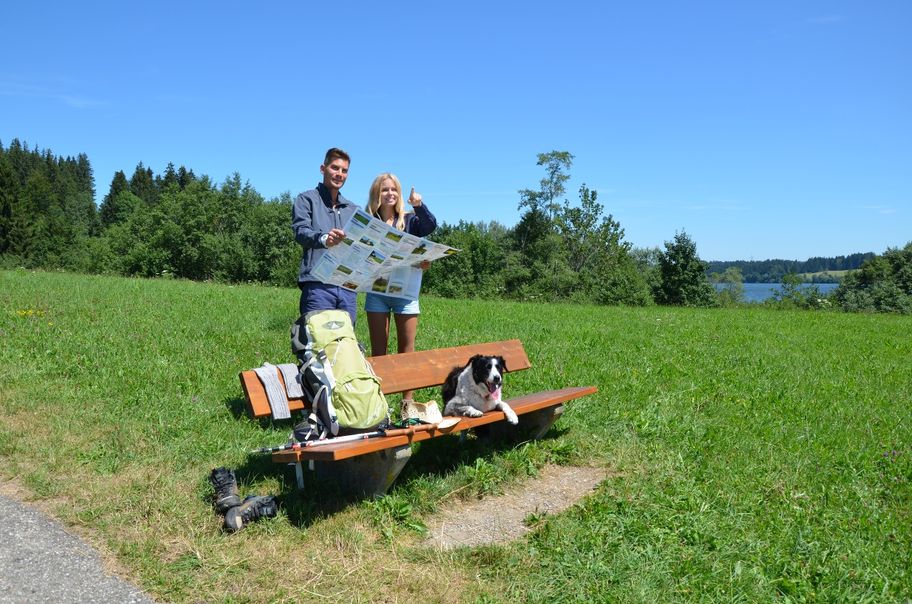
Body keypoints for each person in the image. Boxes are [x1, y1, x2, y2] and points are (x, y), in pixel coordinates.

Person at [364, 173, 437, 404]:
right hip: (377, 293)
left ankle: (408, 403)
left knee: (407, 351)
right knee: (379, 353)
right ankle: (379, 402)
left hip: (406, 294)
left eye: (394, 190)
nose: (390, 194)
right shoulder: (369, 221)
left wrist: (419, 205)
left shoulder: (410, 220)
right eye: (385, 190)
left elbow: (430, 226)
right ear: (377, 193)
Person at [292, 148, 359, 325]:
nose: (339, 174)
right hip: (318, 285)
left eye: (344, 171)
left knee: (345, 346)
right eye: (335, 168)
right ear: (323, 169)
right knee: (317, 343)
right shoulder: (306, 199)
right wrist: (324, 239)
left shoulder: (353, 210)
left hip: (347, 288)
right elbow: (301, 231)